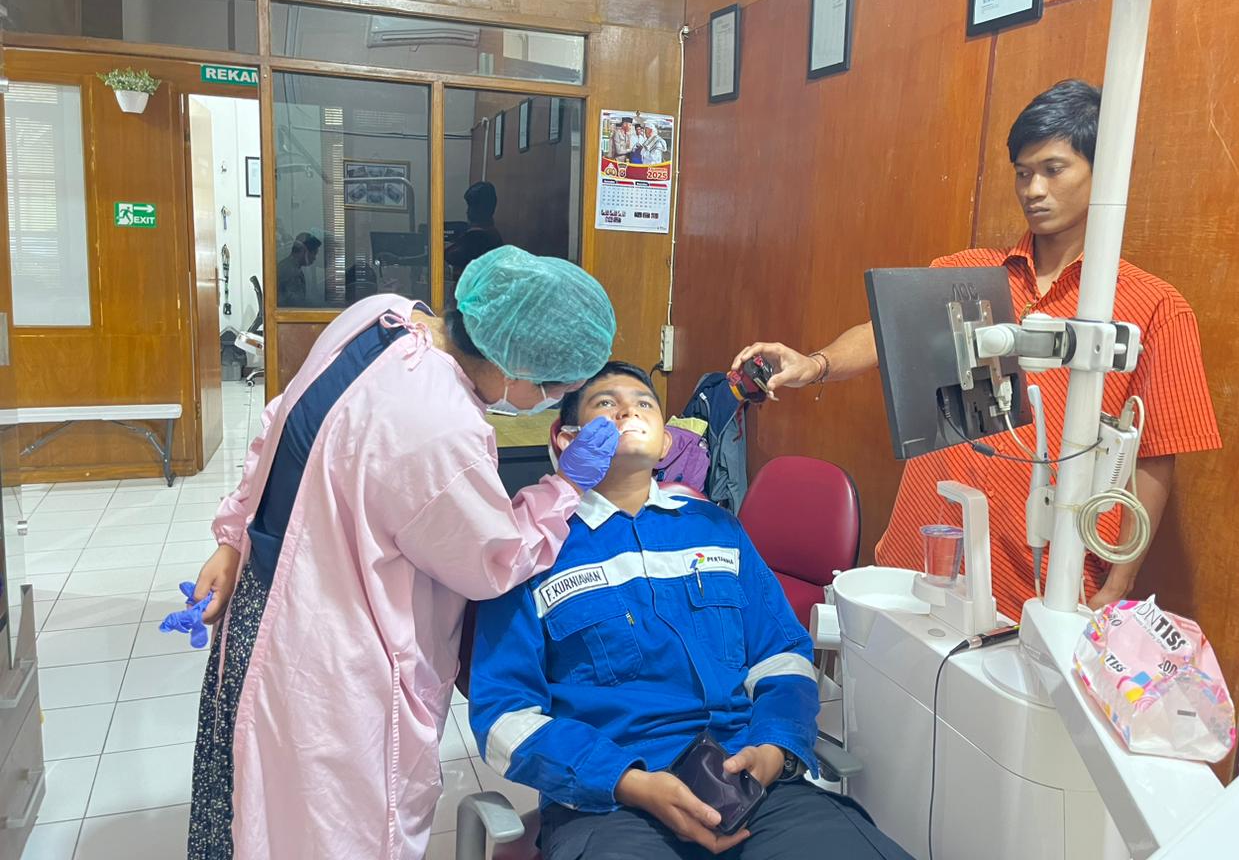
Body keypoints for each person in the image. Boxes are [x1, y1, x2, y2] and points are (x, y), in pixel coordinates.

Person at [186, 246, 622, 860]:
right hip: (328, 662)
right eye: (559, 390)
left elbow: (284, 423)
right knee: (326, 828)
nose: (553, 402)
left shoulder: (381, 315)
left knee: (255, 804)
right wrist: (566, 487)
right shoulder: (442, 428)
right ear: (517, 371)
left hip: (267, 598)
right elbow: (494, 558)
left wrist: (234, 537)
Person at [733, 80, 1221, 618]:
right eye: (1023, 173)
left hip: (1042, 586)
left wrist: (1120, 578)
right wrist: (814, 364)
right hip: (920, 561)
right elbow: (884, 333)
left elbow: (1155, 455)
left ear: (1101, 173)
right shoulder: (965, 274)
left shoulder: (1153, 306)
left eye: (1053, 169)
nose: (1034, 189)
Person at [468, 362, 911, 860]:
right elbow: (504, 715)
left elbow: (782, 657)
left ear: (665, 444)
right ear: (568, 439)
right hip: (611, 805)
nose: (629, 411)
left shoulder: (718, 530)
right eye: (606, 404)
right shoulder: (530, 549)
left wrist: (774, 748)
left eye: (644, 404)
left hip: (748, 786)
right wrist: (627, 782)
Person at [445, 180, 504, 275]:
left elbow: (450, 256)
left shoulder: (477, 236)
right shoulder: (493, 233)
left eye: (471, 207)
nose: (467, 211)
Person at [276, 232, 321, 307]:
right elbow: (297, 304)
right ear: (303, 250)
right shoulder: (291, 272)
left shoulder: (289, 265)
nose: (314, 258)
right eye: (314, 253)